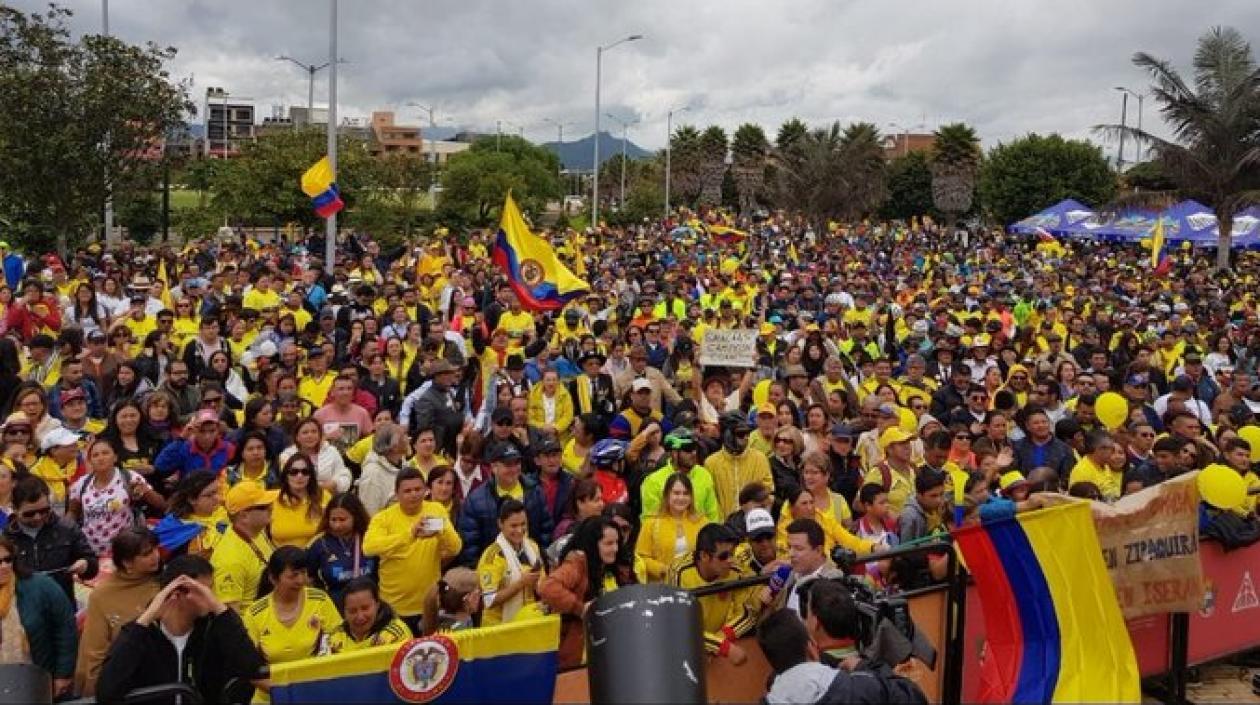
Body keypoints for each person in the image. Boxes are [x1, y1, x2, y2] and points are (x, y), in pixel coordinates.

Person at [96, 554, 266, 705]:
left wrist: (219, 608)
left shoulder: (214, 628)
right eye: (203, 590)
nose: (210, 596)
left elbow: (254, 669)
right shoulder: (140, 633)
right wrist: (146, 618)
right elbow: (106, 691)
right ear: (176, 593)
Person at [363, 468, 462, 635]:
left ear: (425, 490)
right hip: (394, 607)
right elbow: (369, 548)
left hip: (430, 604)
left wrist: (441, 532)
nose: (413, 494)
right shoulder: (383, 518)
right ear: (396, 494)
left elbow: (455, 547)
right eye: (407, 491)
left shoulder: (436, 509)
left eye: (418, 489)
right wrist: (409, 535)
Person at [539, 516, 639, 669]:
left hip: (617, 650)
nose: (615, 549)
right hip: (582, 655)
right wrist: (581, 608)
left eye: (617, 542)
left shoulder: (617, 566)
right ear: (593, 544)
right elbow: (548, 587)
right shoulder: (577, 563)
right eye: (609, 543)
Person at [75, 527, 161, 697]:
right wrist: (93, 691)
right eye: (147, 554)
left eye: (156, 549)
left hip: (163, 680)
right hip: (123, 684)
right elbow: (94, 650)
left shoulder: (165, 584)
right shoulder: (103, 596)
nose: (156, 556)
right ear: (127, 562)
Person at [243, 546, 342, 678]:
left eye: (303, 573)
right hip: (271, 691)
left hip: (313, 684)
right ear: (273, 579)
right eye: (293, 575)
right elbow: (248, 667)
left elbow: (340, 640)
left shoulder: (320, 600)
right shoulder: (255, 613)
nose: (301, 580)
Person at [665, 523, 758, 663]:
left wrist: (721, 638)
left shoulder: (737, 570)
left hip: (715, 646)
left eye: (732, 553)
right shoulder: (679, 571)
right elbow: (678, 625)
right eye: (724, 556)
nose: (731, 560)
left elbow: (748, 612)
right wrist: (722, 647)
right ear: (703, 556)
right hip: (680, 649)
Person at [0, 533, 77, 698]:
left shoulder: (41, 586)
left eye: (8, 559)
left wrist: (62, 675)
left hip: (34, 682)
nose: (4, 566)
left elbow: (66, 630)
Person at [3, 476, 98, 604]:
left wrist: (85, 565)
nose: (37, 517)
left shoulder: (67, 529)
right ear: (14, 509)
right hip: (23, 608)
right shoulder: (7, 538)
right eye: (29, 514)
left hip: (62, 605)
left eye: (44, 511)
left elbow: (91, 563)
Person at [458, 443, 552, 566]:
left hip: (532, 563)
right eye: (508, 464)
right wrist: (481, 570)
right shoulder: (475, 500)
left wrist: (542, 558)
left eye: (517, 463)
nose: (514, 469)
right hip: (494, 568)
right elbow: (470, 543)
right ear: (494, 467)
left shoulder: (535, 491)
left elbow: (546, 529)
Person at [69, 438, 165, 556]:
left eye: (105, 453)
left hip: (124, 551)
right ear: (90, 461)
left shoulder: (129, 477)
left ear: (115, 457)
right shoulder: (82, 484)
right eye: (95, 455)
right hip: (90, 552)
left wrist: (146, 491)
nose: (100, 458)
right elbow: (72, 512)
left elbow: (161, 504)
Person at [210, 480, 278, 612]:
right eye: (264, 506)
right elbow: (230, 616)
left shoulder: (257, 532)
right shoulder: (230, 559)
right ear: (244, 516)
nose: (271, 507)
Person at [477, 498, 546, 626]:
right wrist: (521, 583)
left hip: (527, 623)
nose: (519, 530)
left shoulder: (532, 547)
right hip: (498, 628)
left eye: (523, 524)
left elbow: (543, 583)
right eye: (513, 526)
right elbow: (489, 600)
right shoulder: (492, 556)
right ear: (500, 524)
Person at [306, 493, 377, 608]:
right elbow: (309, 576)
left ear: (355, 517)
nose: (337, 525)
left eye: (342, 520)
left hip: (367, 608)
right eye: (333, 520)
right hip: (333, 608)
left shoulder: (370, 538)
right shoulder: (320, 543)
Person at [636, 473, 708, 581]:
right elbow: (641, 558)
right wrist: (663, 570)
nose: (681, 498)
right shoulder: (651, 523)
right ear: (667, 495)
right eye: (676, 493)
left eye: (686, 493)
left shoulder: (702, 522)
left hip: (695, 584)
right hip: (662, 586)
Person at [640, 428, 721, 523]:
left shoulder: (704, 474)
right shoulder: (654, 481)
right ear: (674, 453)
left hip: (700, 535)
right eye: (688, 449)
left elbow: (713, 515)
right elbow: (650, 521)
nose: (694, 453)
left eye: (695, 448)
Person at [708, 412, 774, 517]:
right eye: (741, 434)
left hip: (752, 525)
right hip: (724, 528)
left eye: (748, 433)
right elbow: (710, 501)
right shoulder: (711, 463)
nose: (746, 437)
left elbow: (767, 494)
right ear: (727, 435)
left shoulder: (760, 459)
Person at [323, 576, 411, 654]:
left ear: (377, 604)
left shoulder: (396, 635)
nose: (360, 616)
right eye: (352, 611)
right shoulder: (334, 637)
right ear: (344, 612)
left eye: (365, 608)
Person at [155, 471, 227, 558]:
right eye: (209, 495)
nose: (218, 498)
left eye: (217, 491)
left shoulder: (229, 511)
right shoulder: (176, 529)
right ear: (192, 500)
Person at [154, 408, 236, 481]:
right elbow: (160, 466)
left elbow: (234, 478)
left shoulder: (228, 449)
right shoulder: (184, 448)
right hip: (191, 495)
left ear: (218, 430)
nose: (207, 436)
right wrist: (181, 438)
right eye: (202, 431)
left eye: (212, 431)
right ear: (193, 430)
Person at [270, 453, 326, 548]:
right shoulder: (271, 498)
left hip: (314, 557)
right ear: (286, 475)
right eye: (293, 472)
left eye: (305, 472)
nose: (299, 476)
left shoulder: (324, 496)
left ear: (311, 475)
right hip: (280, 557)